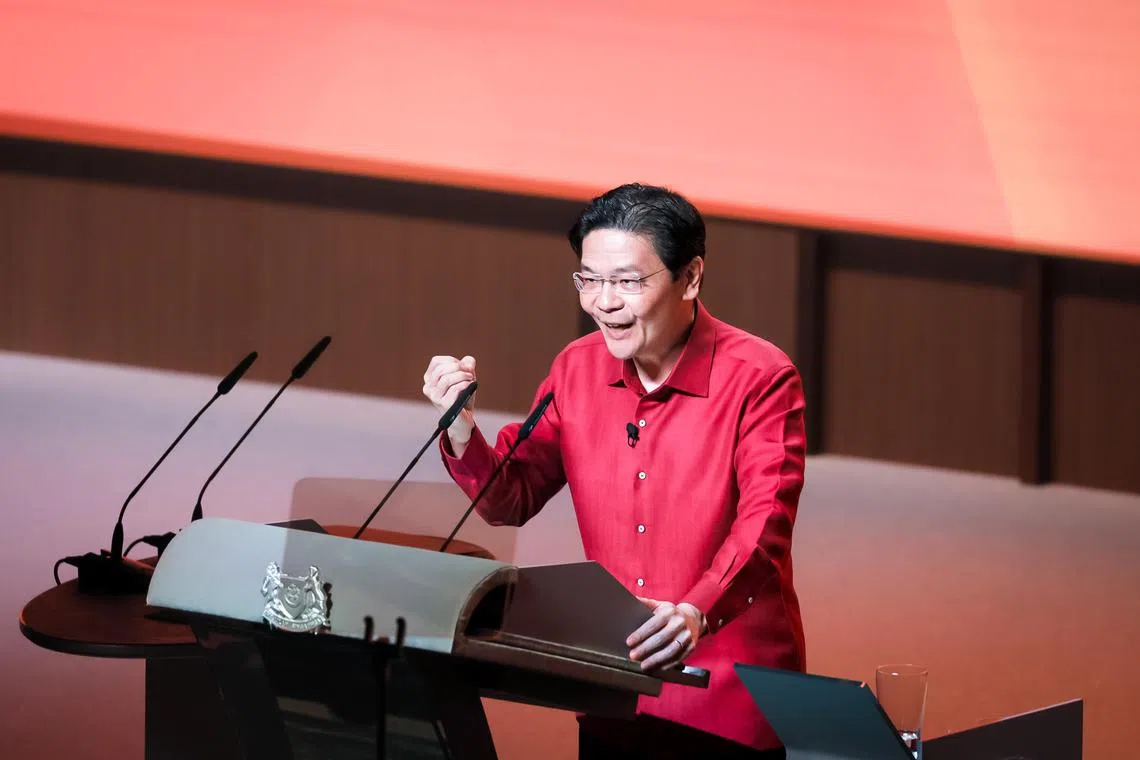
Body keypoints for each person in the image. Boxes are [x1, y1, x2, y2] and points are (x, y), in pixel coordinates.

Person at [422, 183, 806, 759]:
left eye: (627, 282)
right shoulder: (575, 369)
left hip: (728, 692)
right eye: (589, 280)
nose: (603, 302)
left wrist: (697, 609)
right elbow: (510, 497)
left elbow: (765, 523)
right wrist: (460, 427)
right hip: (613, 681)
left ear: (690, 277)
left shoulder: (761, 376)